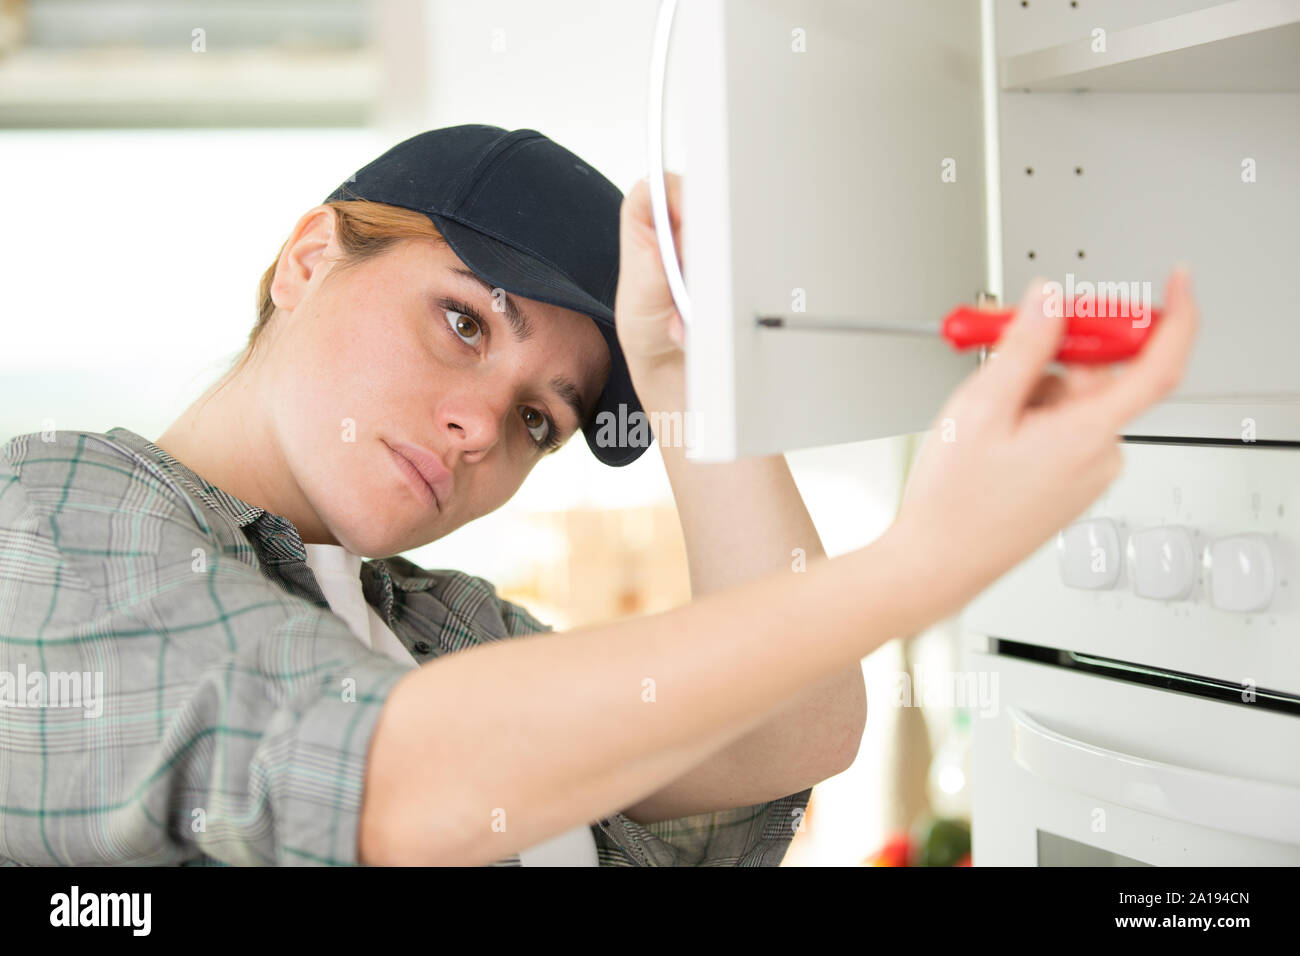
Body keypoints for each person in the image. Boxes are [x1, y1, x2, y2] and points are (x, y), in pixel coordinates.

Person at [0, 125, 1197, 867]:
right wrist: (922, 559)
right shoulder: (53, 517)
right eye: (463, 321)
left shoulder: (436, 627)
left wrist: (680, 381)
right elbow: (385, 778)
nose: (482, 429)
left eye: (542, 418)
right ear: (310, 258)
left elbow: (790, 730)